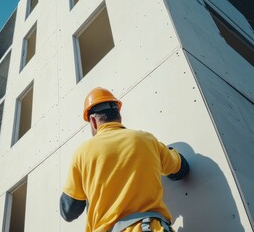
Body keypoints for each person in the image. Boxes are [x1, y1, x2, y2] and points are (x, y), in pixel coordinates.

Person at [60, 87, 189, 232]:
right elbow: (181, 169)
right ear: (118, 116)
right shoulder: (147, 140)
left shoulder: (82, 153)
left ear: (93, 121)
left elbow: (68, 211)